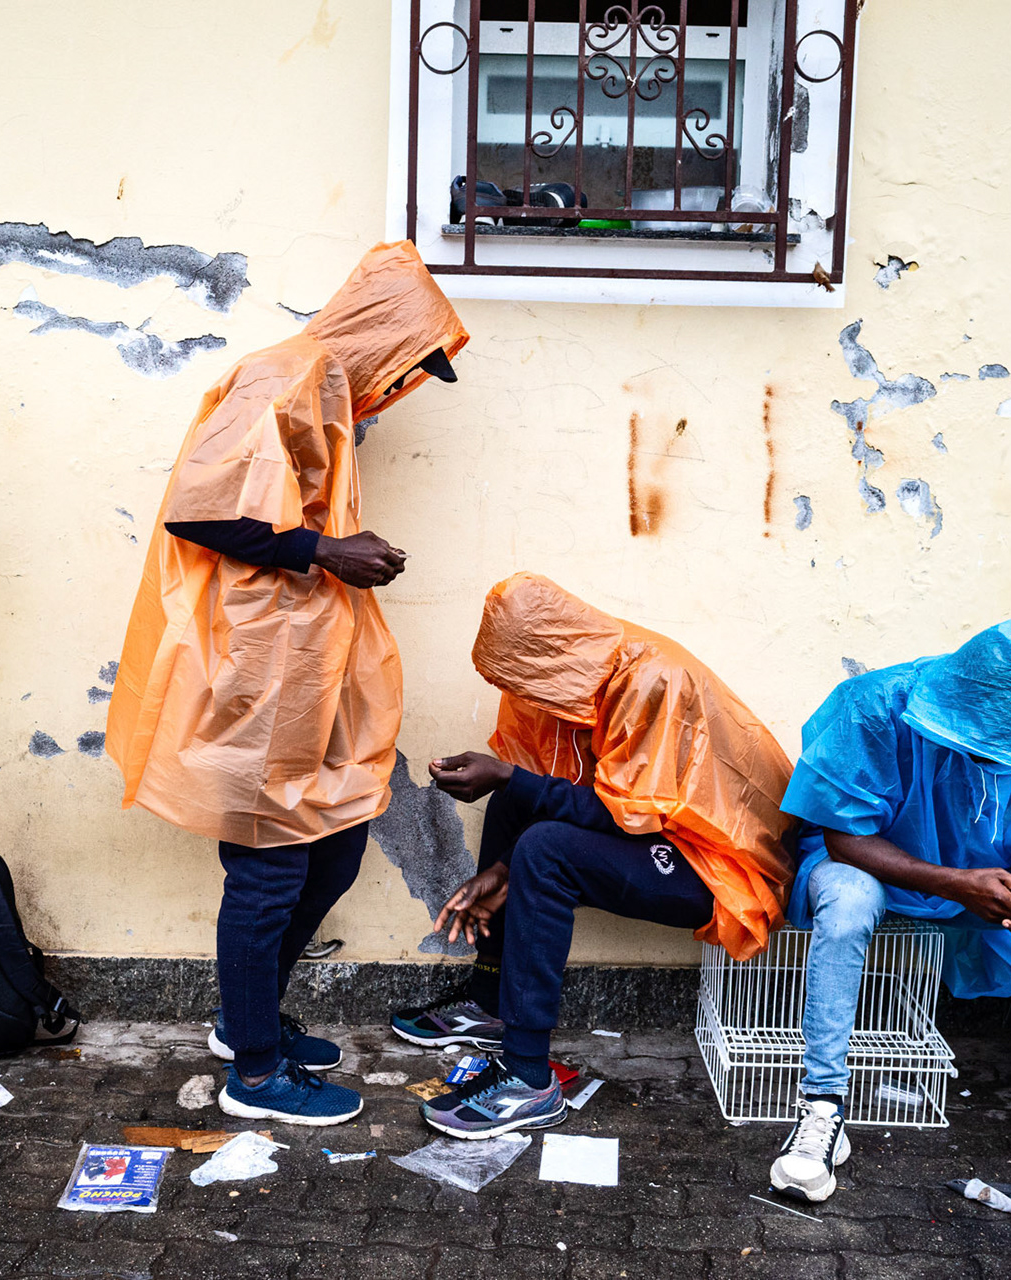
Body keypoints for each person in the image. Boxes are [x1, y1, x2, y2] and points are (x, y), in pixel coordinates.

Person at [107, 241, 469, 1125]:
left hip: (303, 671)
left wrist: (334, 554)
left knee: (338, 845)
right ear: (383, 336)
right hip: (258, 675)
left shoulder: (327, 392)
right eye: (410, 365)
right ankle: (256, 1076)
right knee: (268, 874)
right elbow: (200, 507)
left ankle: (247, 1020)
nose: (403, 387)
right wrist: (328, 550)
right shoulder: (285, 375)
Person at [767, 617, 1011, 1203]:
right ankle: (822, 1106)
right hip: (876, 867)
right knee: (849, 903)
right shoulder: (872, 705)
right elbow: (844, 838)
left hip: (981, 876)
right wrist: (955, 883)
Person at [395, 573, 796, 1139]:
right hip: (657, 831)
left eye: (524, 679)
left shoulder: (652, 679)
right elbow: (568, 786)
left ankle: (529, 1077)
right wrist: (504, 864)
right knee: (517, 810)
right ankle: (490, 1000)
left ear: (548, 654)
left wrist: (509, 789)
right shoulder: (574, 675)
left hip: (715, 863)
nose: (522, 694)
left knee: (544, 846)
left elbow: (627, 813)